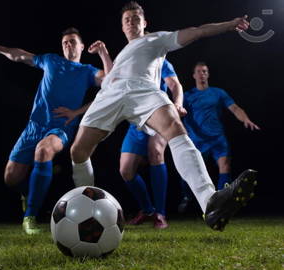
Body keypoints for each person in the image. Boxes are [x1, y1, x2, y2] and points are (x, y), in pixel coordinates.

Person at [69, 1, 257, 232]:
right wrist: (104, 54)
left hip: (143, 90)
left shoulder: (156, 40)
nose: (131, 22)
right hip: (110, 94)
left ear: (145, 23)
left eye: (136, 18)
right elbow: (111, 77)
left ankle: (210, 202)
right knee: (78, 151)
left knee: (173, 127)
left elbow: (196, 32)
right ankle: (86, 212)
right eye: (127, 19)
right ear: (122, 26)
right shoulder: (121, 56)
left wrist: (229, 25)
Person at [0, 28, 112, 234]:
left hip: (61, 127)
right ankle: (30, 192)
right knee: (11, 178)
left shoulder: (87, 71)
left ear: (82, 46)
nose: (68, 44)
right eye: (65, 42)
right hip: (34, 126)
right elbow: (20, 55)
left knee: (43, 151)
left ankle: (30, 217)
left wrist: (77, 112)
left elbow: (111, 84)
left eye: (72, 41)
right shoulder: (50, 60)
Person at [177, 62, 260, 213]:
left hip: (217, 139)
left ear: (208, 74)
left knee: (225, 166)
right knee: (189, 172)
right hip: (197, 140)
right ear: (194, 75)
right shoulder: (188, 96)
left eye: (205, 71)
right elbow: (177, 114)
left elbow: (234, 108)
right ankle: (187, 196)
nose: (202, 74)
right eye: (199, 71)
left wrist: (245, 119)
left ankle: (223, 204)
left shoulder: (218, 93)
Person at [120, 58, 185, 229]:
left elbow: (174, 85)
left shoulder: (161, 61)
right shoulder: (130, 61)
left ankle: (160, 214)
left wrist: (177, 104)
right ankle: (148, 210)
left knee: (155, 151)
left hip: (158, 114)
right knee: (126, 170)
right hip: (136, 122)